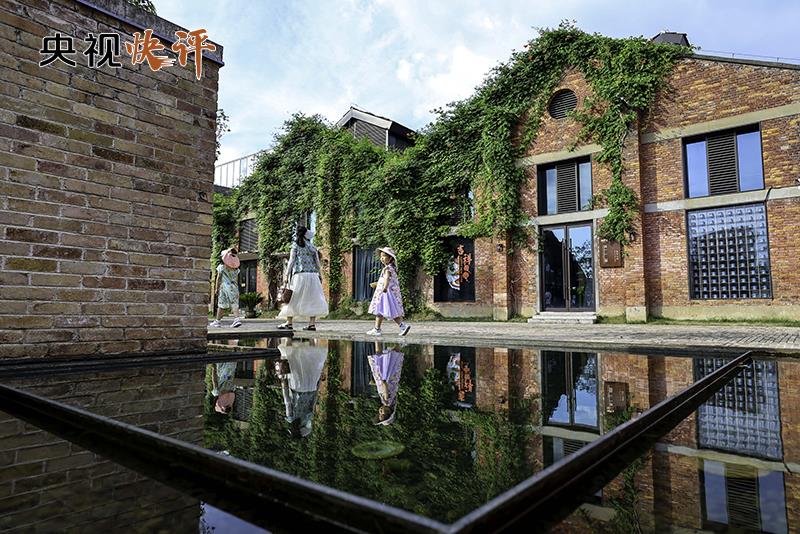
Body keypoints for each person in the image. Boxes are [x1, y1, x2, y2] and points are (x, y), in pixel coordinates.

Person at [278, 226, 328, 331]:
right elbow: (317, 263)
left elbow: (291, 261)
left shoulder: (295, 245)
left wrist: (286, 275)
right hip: (313, 276)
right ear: (305, 234)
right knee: (313, 298)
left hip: (300, 276)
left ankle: (289, 322)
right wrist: (320, 275)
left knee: (294, 298)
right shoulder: (312, 247)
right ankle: (312, 324)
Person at [275, 338, 328, 438]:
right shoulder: (291, 418)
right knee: (293, 362)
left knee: (311, 364)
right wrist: (283, 383)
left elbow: (314, 401)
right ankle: (289, 338)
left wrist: (318, 383)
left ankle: (312, 339)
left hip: (311, 387)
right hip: (297, 386)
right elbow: (287, 400)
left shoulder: (308, 420)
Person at [366, 247, 410, 336]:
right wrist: (377, 284)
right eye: (381, 256)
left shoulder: (387, 269)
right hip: (388, 293)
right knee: (383, 310)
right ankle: (378, 328)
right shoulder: (391, 268)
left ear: (390, 258)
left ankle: (401, 326)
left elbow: (387, 279)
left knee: (383, 309)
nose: (381, 258)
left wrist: (385, 288)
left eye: (384, 256)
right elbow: (387, 280)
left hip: (385, 294)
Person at [367, 342, 404, 425]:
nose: (380, 411)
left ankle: (400, 343)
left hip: (391, 378)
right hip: (385, 377)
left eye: (379, 414)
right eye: (382, 414)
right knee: (379, 357)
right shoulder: (386, 401)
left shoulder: (391, 401)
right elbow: (385, 386)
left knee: (392, 358)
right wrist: (381, 381)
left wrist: (375, 384)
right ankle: (378, 339)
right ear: (388, 412)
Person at [210, 247, 242, 328]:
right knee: (224, 303)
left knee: (225, 303)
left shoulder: (222, 267)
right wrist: (237, 290)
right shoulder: (236, 269)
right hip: (233, 286)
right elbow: (236, 280)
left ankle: (236, 319)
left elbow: (218, 279)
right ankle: (217, 321)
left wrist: (216, 288)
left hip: (224, 287)